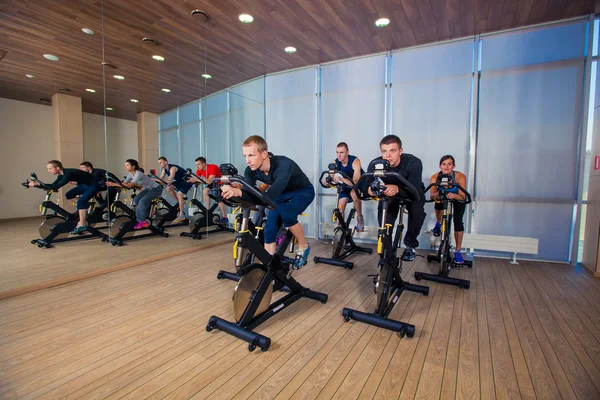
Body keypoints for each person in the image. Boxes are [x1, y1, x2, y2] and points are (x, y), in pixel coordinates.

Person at [221, 135, 314, 268]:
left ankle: (304, 246)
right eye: (245, 156)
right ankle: (269, 266)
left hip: (303, 191)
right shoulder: (250, 170)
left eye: (251, 155)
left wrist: (240, 192)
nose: (247, 161)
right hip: (282, 194)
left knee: (287, 215)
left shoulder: (284, 165)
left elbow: (268, 197)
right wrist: (235, 189)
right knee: (269, 228)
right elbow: (249, 192)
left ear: (264, 154)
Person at [363, 135, 426, 261]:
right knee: (384, 205)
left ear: (400, 151)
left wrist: (397, 189)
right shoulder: (375, 164)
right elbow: (364, 189)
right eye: (384, 151)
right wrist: (369, 190)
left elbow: (414, 190)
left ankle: (410, 245)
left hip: (412, 192)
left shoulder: (413, 163)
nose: (388, 156)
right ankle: (386, 244)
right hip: (390, 193)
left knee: (416, 209)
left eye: (392, 151)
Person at [28, 160, 97, 234]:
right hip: (86, 185)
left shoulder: (68, 174)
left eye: (50, 168)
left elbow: (57, 186)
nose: (48, 171)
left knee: (81, 202)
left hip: (94, 185)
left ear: (57, 168)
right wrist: (37, 185)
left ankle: (82, 224)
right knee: (69, 195)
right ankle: (83, 207)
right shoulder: (61, 175)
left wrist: (37, 184)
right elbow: (52, 186)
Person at [430, 155, 468, 264]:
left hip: (457, 198)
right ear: (440, 166)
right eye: (444, 164)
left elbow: (462, 196)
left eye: (449, 164)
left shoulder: (460, 177)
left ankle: (458, 252)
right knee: (438, 204)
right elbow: (431, 195)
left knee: (458, 221)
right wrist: (437, 194)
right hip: (442, 198)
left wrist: (453, 195)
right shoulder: (435, 177)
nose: (446, 166)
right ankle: (438, 223)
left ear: (453, 166)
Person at [106, 159, 162, 229]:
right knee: (136, 199)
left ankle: (142, 221)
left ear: (133, 166)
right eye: (125, 165)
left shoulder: (138, 174)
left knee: (143, 201)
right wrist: (113, 184)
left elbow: (129, 185)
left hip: (156, 188)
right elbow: (123, 184)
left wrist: (113, 184)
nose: (125, 167)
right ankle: (143, 216)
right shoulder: (131, 175)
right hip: (148, 189)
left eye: (127, 165)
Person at [333, 142, 365, 232]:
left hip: (359, 184)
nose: (339, 155)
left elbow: (355, 182)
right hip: (346, 185)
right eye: (337, 152)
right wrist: (328, 180)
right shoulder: (336, 162)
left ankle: (359, 218)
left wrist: (340, 179)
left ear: (347, 152)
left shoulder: (355, 161)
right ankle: (341, 229)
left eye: (342, 152)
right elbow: (330, 176)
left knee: (354, 193)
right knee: (341, 205)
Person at [186, 157, 228, 224]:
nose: (197, 166)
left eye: (198, 164)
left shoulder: (212, 167)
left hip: (220, 183)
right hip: (212, 184)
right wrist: (190, 180)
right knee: (205, 191)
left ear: (204, 164)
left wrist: (195, 179)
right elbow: (197, 179)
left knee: (219, 198)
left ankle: (225, 217)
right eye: (196, 165)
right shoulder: (199, 170)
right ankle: (207, 211)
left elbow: (208, 181)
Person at [157, 157, 192, 223]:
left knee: (179, 194)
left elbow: (169, 180)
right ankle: (179, 203)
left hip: (187, 181)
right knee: (168, 188)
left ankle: (182, 215)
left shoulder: (172, 168)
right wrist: (153, 181)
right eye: (159, 163)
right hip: (179, 181)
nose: (160, 164)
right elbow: (160, 179)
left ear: (166, 162)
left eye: (161, 162)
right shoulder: (164, 170)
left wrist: (159, 181)